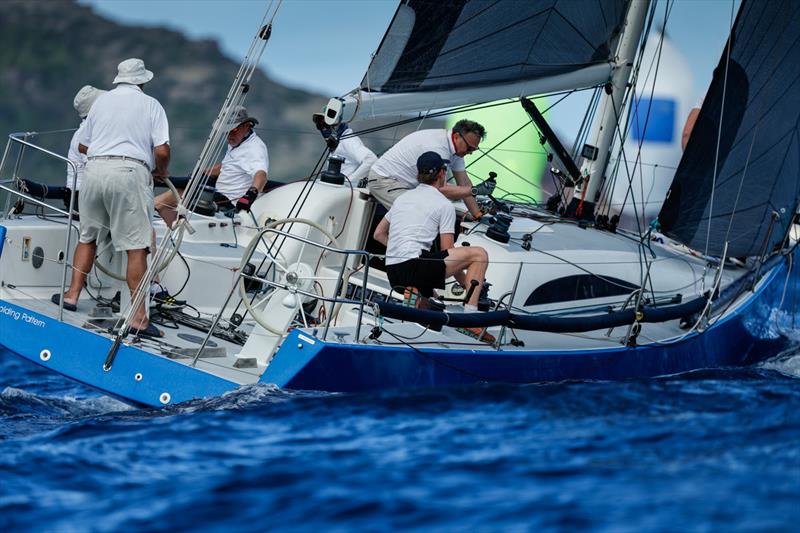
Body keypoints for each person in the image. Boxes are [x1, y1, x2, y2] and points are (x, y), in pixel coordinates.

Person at [52, 58, 170, 339]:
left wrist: (108, 146)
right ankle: (139, 317)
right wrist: (159, 171)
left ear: (119, 78)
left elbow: (83, 143)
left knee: (87, 236)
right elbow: (162, 150)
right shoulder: (151, 104)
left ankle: (71, 296)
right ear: (143, 80)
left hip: (93, 171)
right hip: (129, 173)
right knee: (136, 247)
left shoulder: (102, 103)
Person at [373, 151, 489, 316]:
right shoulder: (443, 204)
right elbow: (448, 250)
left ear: (419, 174)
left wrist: (400, 249)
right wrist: (466, 284)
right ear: (442, 173)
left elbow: (378, 234)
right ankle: (471, 314)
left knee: (437, 306)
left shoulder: (403, 198)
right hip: (414, 268)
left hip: (393, 272)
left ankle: (422, 305)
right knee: (479, 255)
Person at [154, 105, 268, 227]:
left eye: (233, 130)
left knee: (186, 191)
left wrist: (251, 194)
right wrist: (205, 171)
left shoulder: (255, 148)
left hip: (229, 204)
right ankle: (157, 214)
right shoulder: (238, 141)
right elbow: (231, 165)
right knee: (187, 186)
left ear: (247, 126)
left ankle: (150, 210)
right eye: (225, 131)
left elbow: (261, 174)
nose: (229, 135)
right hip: (217, 193)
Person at [367, 119, 495, 217]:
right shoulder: (440, 148)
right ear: (456, 136)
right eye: (469, 148)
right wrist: (475, 190)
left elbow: (464, 183)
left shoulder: (456, 149)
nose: (471, 152)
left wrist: (477, 215)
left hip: (405, 185)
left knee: (435, 210)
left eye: (474, 149)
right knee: (422, 215)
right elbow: (440, 188)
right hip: (384, 180)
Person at [64, 85, 106, 211]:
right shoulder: (85, 133)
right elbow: (95, 169)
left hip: (90, 194)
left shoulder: (94, 129)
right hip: (79, 198)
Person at [312, 113, 376, 183]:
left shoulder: (348, 140)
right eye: (320, 126)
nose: (323, 129)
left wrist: (348, 181)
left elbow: (371, 160)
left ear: (337, 124)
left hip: (345, 189)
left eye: (325, 125)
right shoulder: (336, 143)